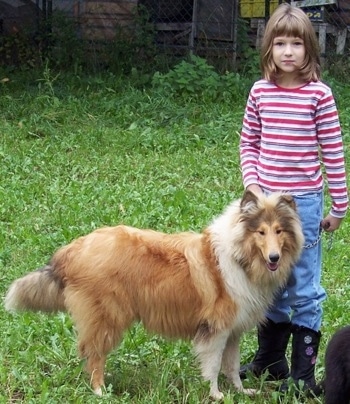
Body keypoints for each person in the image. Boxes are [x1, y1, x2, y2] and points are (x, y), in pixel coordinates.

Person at [238, 2, 348, 396]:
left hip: (302, 204)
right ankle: (270, 359)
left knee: (302, 287)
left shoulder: (319, 95)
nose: (288, 52)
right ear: (269, 49)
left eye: (296, 44)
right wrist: (252, 184)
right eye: (280, 43)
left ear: (309, 50)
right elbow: (249, 141)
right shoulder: (260, 91)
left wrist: (339, 206)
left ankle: (303, 375)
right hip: (264, 204)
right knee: (268, 282)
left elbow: (332, 152)